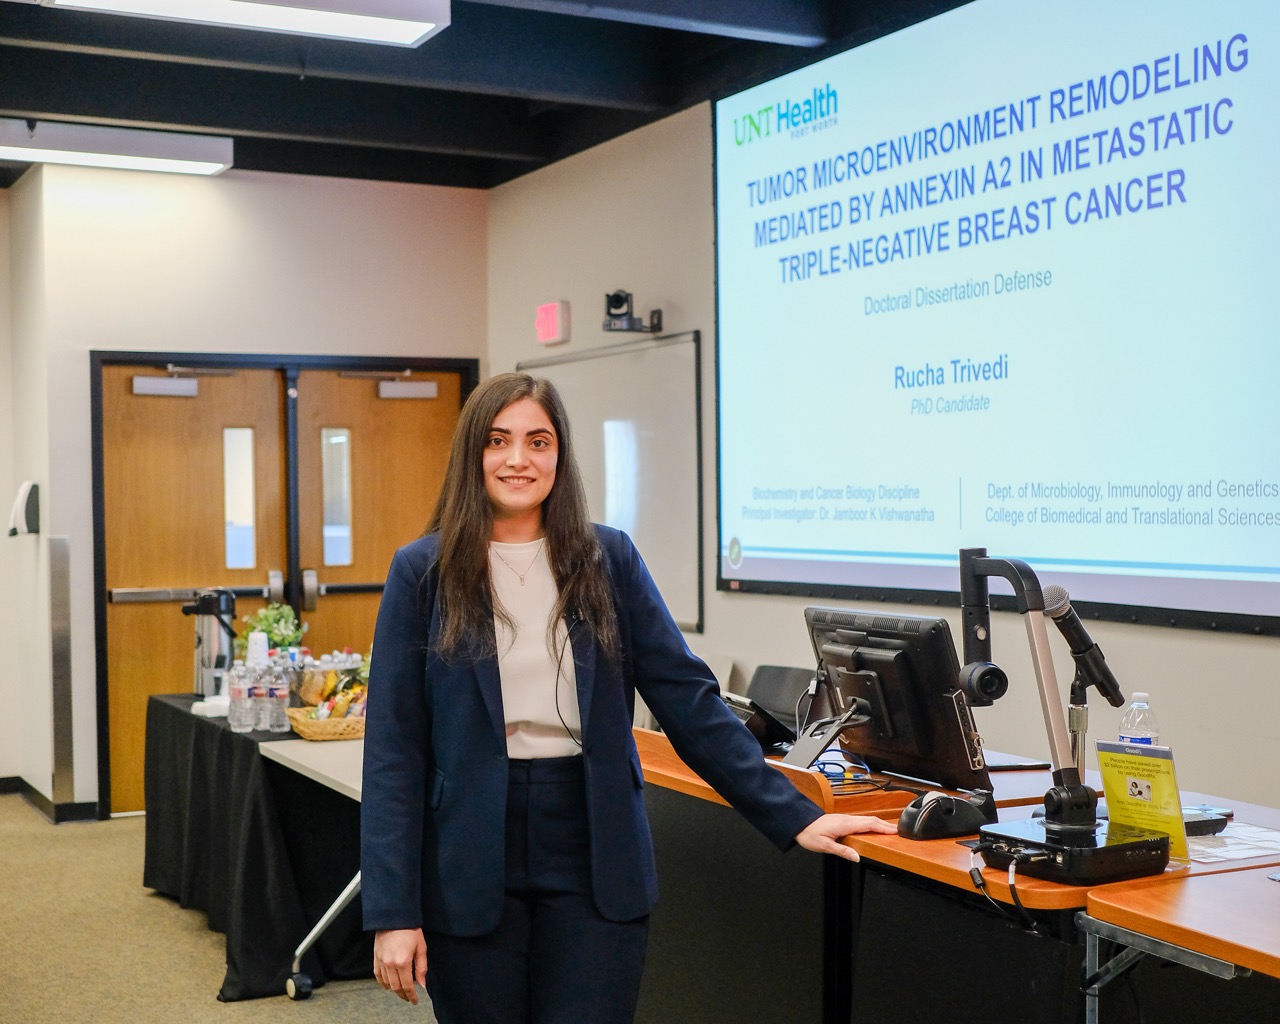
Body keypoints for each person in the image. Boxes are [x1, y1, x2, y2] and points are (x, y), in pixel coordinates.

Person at [361, 372, 896, 1023]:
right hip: (468, 854)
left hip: (592, 848)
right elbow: (393, 752)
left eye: (538, 440)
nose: (518, 459)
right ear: (473, 453)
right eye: (498, 441)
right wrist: (393, 912)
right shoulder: (423, 571)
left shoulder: (606, 559)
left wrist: (795, 814)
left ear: (560, 453)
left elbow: (689, 700)